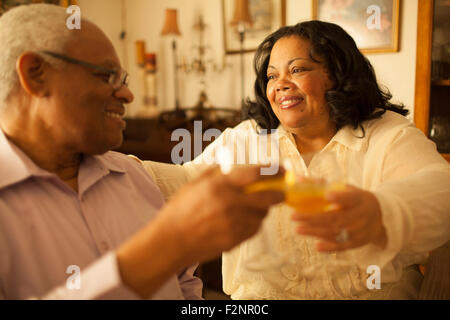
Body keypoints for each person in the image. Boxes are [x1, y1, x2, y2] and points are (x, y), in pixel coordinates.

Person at [143, 21, 450, 299]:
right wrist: (117, 168)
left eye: (298, 69)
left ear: (338, 73)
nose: (280, 84)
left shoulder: (385, 134)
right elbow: (190, 181)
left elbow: (442, 189)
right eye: (272, 75)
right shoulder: (249, 137)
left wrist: (381, 212)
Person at [0, 4, 284, 300]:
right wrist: (168, 244)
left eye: (124, 81)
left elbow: (185, 285)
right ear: (35, 75)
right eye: (107, 76)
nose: (127, 95)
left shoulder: (131, 176)